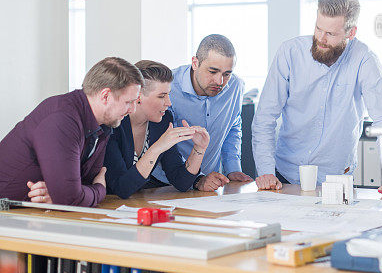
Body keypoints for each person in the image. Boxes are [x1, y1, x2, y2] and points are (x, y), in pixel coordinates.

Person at [253, 0, 382, 195]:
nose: (321, 39)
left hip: (336, 178)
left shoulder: (365, 60)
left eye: (331, 34)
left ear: (350, 33)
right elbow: (265, 117)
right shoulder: (290, 52)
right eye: (318, 29)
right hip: (284, 175)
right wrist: (265, 171)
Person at [0, 57, 143, 207]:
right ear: (105, 95)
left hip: (30, 213)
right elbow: (72, 197)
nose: (132, 110)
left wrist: (63, 194)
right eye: (128, 102)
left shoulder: (103, 124)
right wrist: (100, 189)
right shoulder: (62, 118)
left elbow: (81, 185)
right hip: (7, 214)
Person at [105, 60, 210, 198]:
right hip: (101, 207)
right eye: (161, 96)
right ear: (138, 96)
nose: (169, 103)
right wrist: (158, 147)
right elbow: (121, 188)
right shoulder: (112, 124)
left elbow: (181, 182)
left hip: (134, 205)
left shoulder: (163, 120)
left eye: (168, 94)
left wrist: (199, 148)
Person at [170, 34, 253, 192]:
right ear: (195, 63)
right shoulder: (169, 87)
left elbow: (233, 127)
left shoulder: (236, 87)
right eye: (213, 71)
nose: (219, 81)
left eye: (227, 74)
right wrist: (197, 179)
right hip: (165, 184)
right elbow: (163, 142)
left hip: (209, 184)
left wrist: (232, 168)